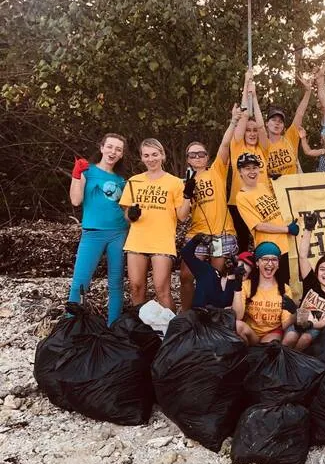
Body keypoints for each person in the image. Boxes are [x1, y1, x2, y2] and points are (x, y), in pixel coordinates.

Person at [179, 105, 240, 311]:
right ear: (187, 159)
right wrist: (187, 193)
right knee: (186, 276)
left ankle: (209, 317)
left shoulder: (217, 170)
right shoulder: (184, 181)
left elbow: (225, 144)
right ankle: (186, 317)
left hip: (220, 233)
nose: (197, 157)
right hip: (197, 233)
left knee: (213, 278)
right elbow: (182, 216)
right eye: (192, 155)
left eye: (201, 154)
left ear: (207, 156)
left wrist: (233, 121)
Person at [118, 138, 192, 310]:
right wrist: (131, 214)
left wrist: (187, 196)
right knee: (136, 289)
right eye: (146, 155)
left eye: (154, 154)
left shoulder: (174, 182)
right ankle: (142, 330)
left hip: (162, 242)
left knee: (162, 290)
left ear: (162, 155)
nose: (151, 159)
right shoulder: (134, 181)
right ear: (142, 158)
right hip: (137, 241)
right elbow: (127, 216)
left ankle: (172, 331)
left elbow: (182, 216)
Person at [67, 133, 128, 324]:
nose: (113, 152)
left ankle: (114, 327)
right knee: (80, 283)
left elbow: (126, 210)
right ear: (101, 148)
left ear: (121, 154)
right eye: (109, 147)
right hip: (93, 233)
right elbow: (76, 200)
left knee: (116, 284)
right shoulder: (87, 171)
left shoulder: (122, 180)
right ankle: (69, 326)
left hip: (119, 233)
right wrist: (76, 175)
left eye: (118, 149)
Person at [282, 212, 325, 351]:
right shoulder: (311, 282)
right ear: (316, 273)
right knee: (290, 338)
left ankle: (294, 364)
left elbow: (324, 322)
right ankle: (279, 363)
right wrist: (308, 229)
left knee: (305, 339)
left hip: (315, 328)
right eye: (322, 269)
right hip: (299, 322)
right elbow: (303, 257)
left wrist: (310, 324)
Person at [228, 70, 269, 253]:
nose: (252, 133)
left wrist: (256, 99)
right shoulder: (237, 146)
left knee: (264, 243)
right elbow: (243, 117)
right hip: (239, 202)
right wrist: (246, 86)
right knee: (243, 247)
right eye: (248, 130)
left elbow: (261, 125)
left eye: (254, 131)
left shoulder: (263, 149)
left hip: (262, 201)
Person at [235, 153, 300, 258]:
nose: (252, 172)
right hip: (270, 249)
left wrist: (279, 181)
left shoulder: (263, 186)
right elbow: (259, 225)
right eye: (247, 168)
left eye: (255, 168)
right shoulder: (241, 197)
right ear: (240, 172)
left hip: (288, 244)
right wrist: (287, 229)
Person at [232, 241, 296, 344]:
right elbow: (237, 317)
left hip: (272, 333)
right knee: (236, 325)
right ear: (257, 263)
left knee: (266, 348)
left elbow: (285, 325)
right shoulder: (246, 285)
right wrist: (238, 286)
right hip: (251, 333)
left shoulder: (284, 289)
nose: (270, 264)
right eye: (265, 259)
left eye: (274, 259)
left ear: (278, 264)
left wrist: (294, 313)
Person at [262, 74, 313, 176]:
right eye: (274, 120)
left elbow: (300, 114)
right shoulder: (262, 145)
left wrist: (308, 91)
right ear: (266, 123)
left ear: (283, 127)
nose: (277, 123)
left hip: (293, 190)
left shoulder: (290, 138)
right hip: (272, 191)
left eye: (280, 121)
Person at [180, 235, 250, 309]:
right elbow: (186, 254)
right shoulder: (206, 270)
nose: (228, 260)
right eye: (226, 256)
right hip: (197, 315)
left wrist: (235, 280)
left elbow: (227, 304)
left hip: (221, 317)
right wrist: (196, 239)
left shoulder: (239, 285)